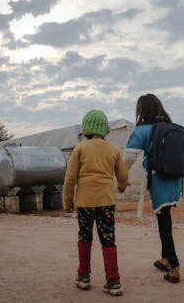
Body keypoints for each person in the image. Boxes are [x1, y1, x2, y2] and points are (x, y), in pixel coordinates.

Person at [124, 93, 184, 284]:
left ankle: (175, 267)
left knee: (164, 224)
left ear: (141, 111)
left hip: (160, 182)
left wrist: (121, 179)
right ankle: (164, 259)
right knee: (165, 218)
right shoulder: (174, 129)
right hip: (175, 182)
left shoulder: (143, 131)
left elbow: (128, 159)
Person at [63, 109, 128, 296]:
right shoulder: (113, 149)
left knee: (84, 236)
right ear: (104, 129)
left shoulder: (80, 148)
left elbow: (70, 178)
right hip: (106, 203)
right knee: (108, 239)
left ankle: (83, 276)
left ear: (86, 128)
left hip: (85, 203)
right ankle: (113, 281)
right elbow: (122, 175)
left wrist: (67, 202)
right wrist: (122, 187)